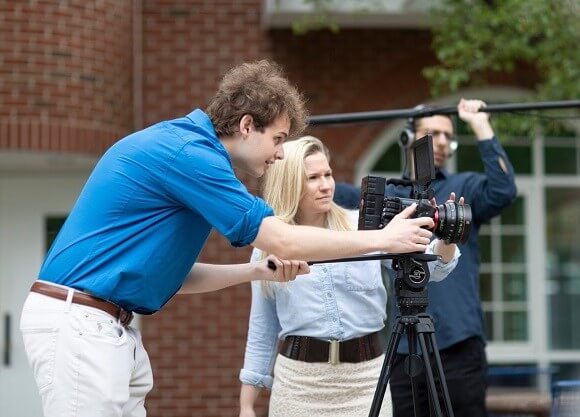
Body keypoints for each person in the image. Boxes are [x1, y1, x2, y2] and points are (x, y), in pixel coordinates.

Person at [19, 60, 437, 417]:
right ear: (246, 126)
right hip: (81, 323)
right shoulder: (193, 157)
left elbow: (178, 278)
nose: (278, 154)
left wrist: (258, 271)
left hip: (110, 326)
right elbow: (285, 241)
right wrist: (383, 239)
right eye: (277, 139)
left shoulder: (186, 149)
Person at [238, 136, 461, 417]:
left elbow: (432, 267)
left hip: (366, 382)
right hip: (298, 385)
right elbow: (262, 328)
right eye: (313, 177)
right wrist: (246, 405)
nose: (326, 184)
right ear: (290, 182)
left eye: (328, 174)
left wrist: (448, 237)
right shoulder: (267, 246)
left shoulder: (366, 228)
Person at [388, 99, 518, 417]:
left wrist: (480, 123)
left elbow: (503, 190)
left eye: (448, 136)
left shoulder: (464, 188)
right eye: (432, 134)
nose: (442, 142)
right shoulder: (390, 193)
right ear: (409, 139)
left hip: (459, 346)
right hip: (403, 347)